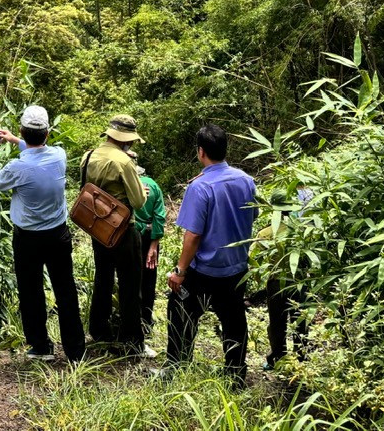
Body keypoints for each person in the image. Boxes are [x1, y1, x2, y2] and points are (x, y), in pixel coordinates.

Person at [0, 104, 85, 363]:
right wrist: (16, 140)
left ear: (22, 130)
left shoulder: (17, 167)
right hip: (58, 234)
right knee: (65, 290)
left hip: (28, 237)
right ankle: (76, 352)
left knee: (31, 291)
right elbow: (37, 152)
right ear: (48, 133)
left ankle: (41, 346)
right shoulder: (59, 156)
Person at [165, 123, 257, 384]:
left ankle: (177, 367)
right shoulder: (246, 180)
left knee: (180, 309)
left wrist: (180, 271)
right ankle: (236, 375)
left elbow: (193, 235)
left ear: (201, 152)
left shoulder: (200, 187)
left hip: (205, 270)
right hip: (237, 267)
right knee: (234, 321)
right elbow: (254, 215)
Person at [81, 113, 150, 356]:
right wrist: (143, 190)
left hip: (98, 228)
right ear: (127, 139)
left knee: (103, 279)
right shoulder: (124, 161)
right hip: (123, 229)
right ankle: (132, 341)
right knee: (130, 284)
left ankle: (99, 331)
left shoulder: (89, 156)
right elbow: (139, 201)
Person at [264, 185, 312, 369]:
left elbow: (255, 263)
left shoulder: (265, 233)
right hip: (299, 283)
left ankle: (278, 357)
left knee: (277, 324)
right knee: (300, 322)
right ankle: (302, 358)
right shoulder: (302, 232)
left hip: (275, 284)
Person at [128, 151, 166, 338]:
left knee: (130, 278)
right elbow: (160, 215)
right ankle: (146, 320)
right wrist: (154, 244)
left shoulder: (123, 185)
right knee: (149, 279)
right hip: (150, 238)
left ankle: (129, 321)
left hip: (129, 236)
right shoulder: (152, 185)